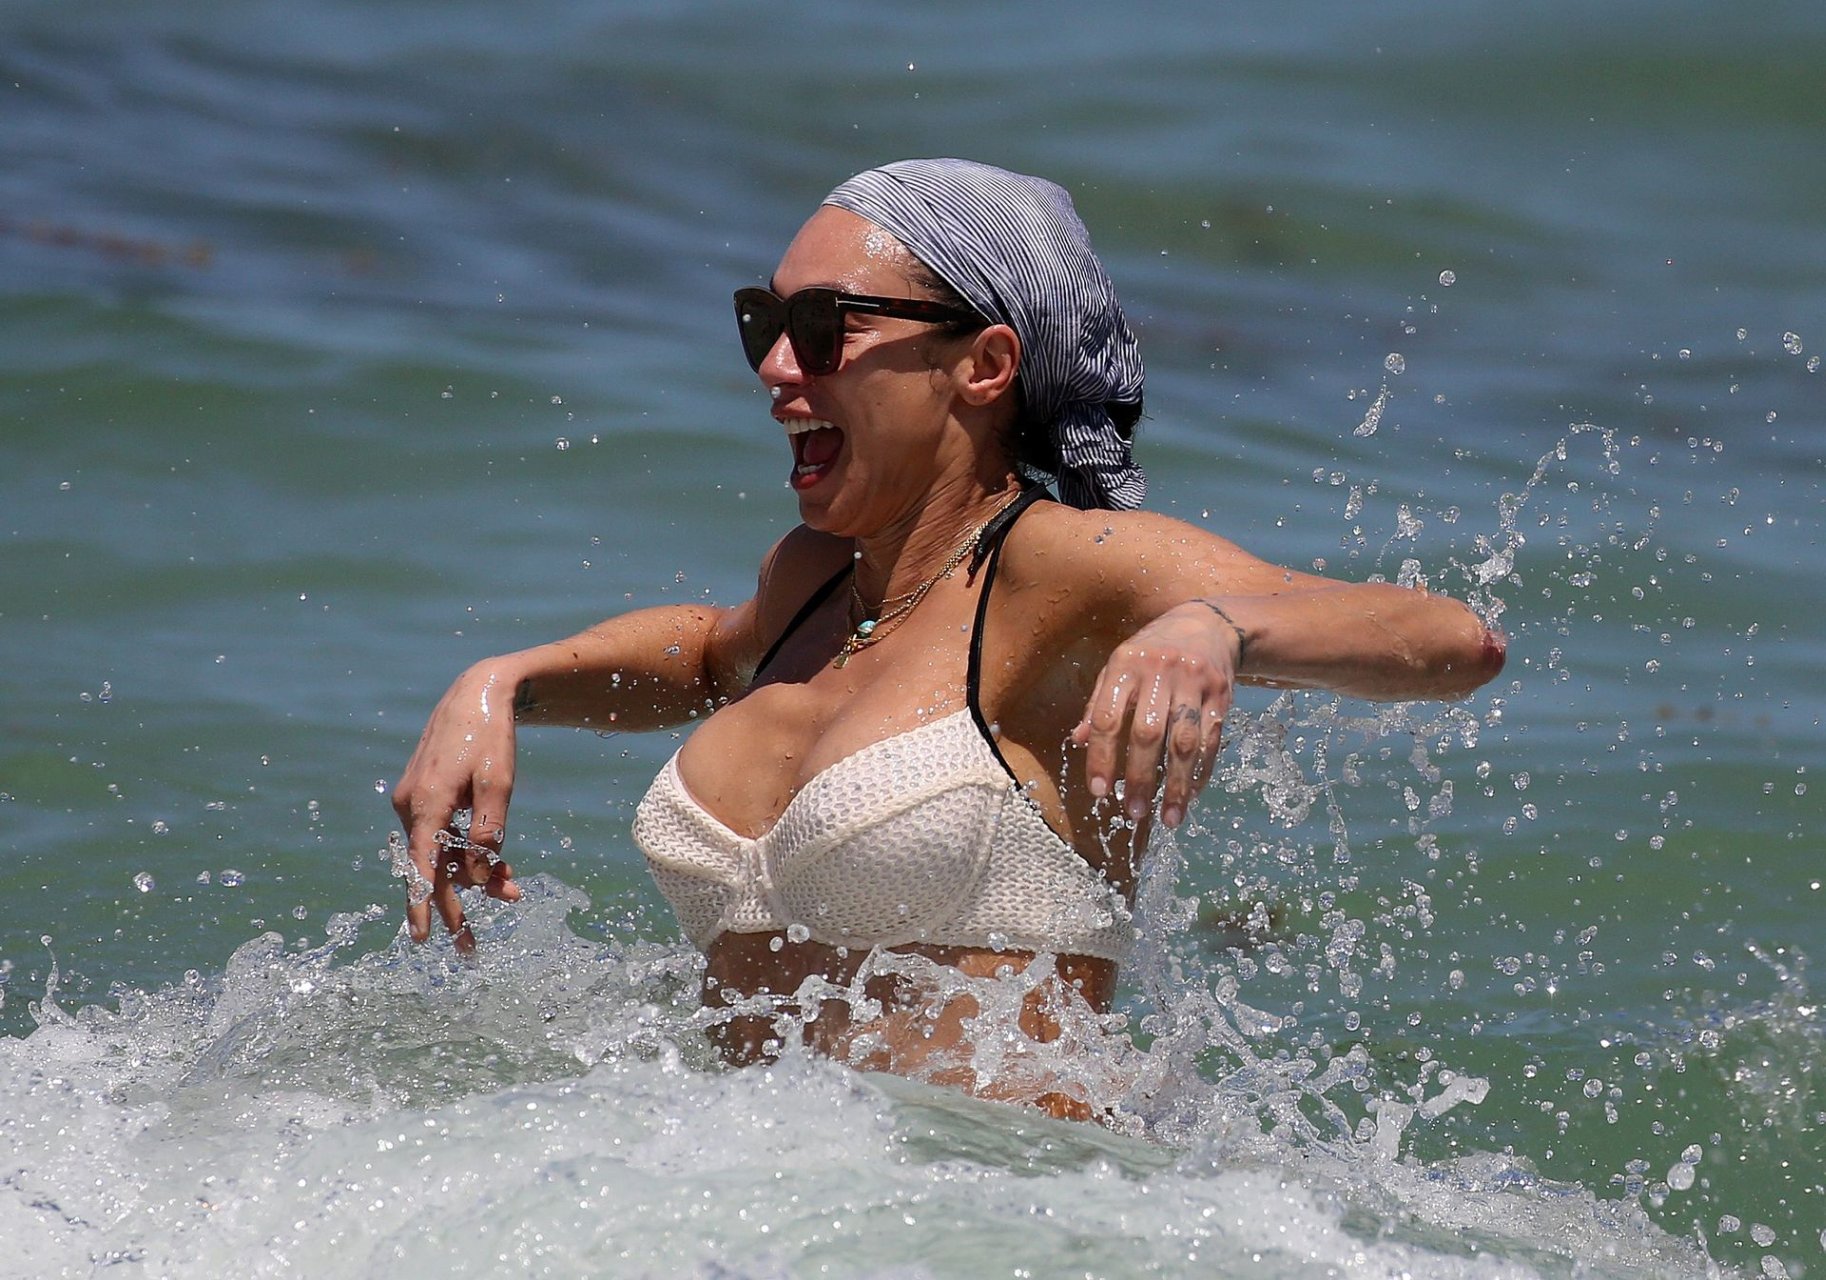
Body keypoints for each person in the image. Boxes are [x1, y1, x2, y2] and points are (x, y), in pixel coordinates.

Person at [391, 158, 1506, 1120]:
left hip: (1010, 1210)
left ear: (983, 364)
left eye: (825, 328)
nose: (777, 367)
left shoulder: (1057, 566)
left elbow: (1451, 639)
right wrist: (502, 683)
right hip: (764, 1209)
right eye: (763, 324)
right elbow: (703, 654)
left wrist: (1216, 627)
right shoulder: (814, 581)